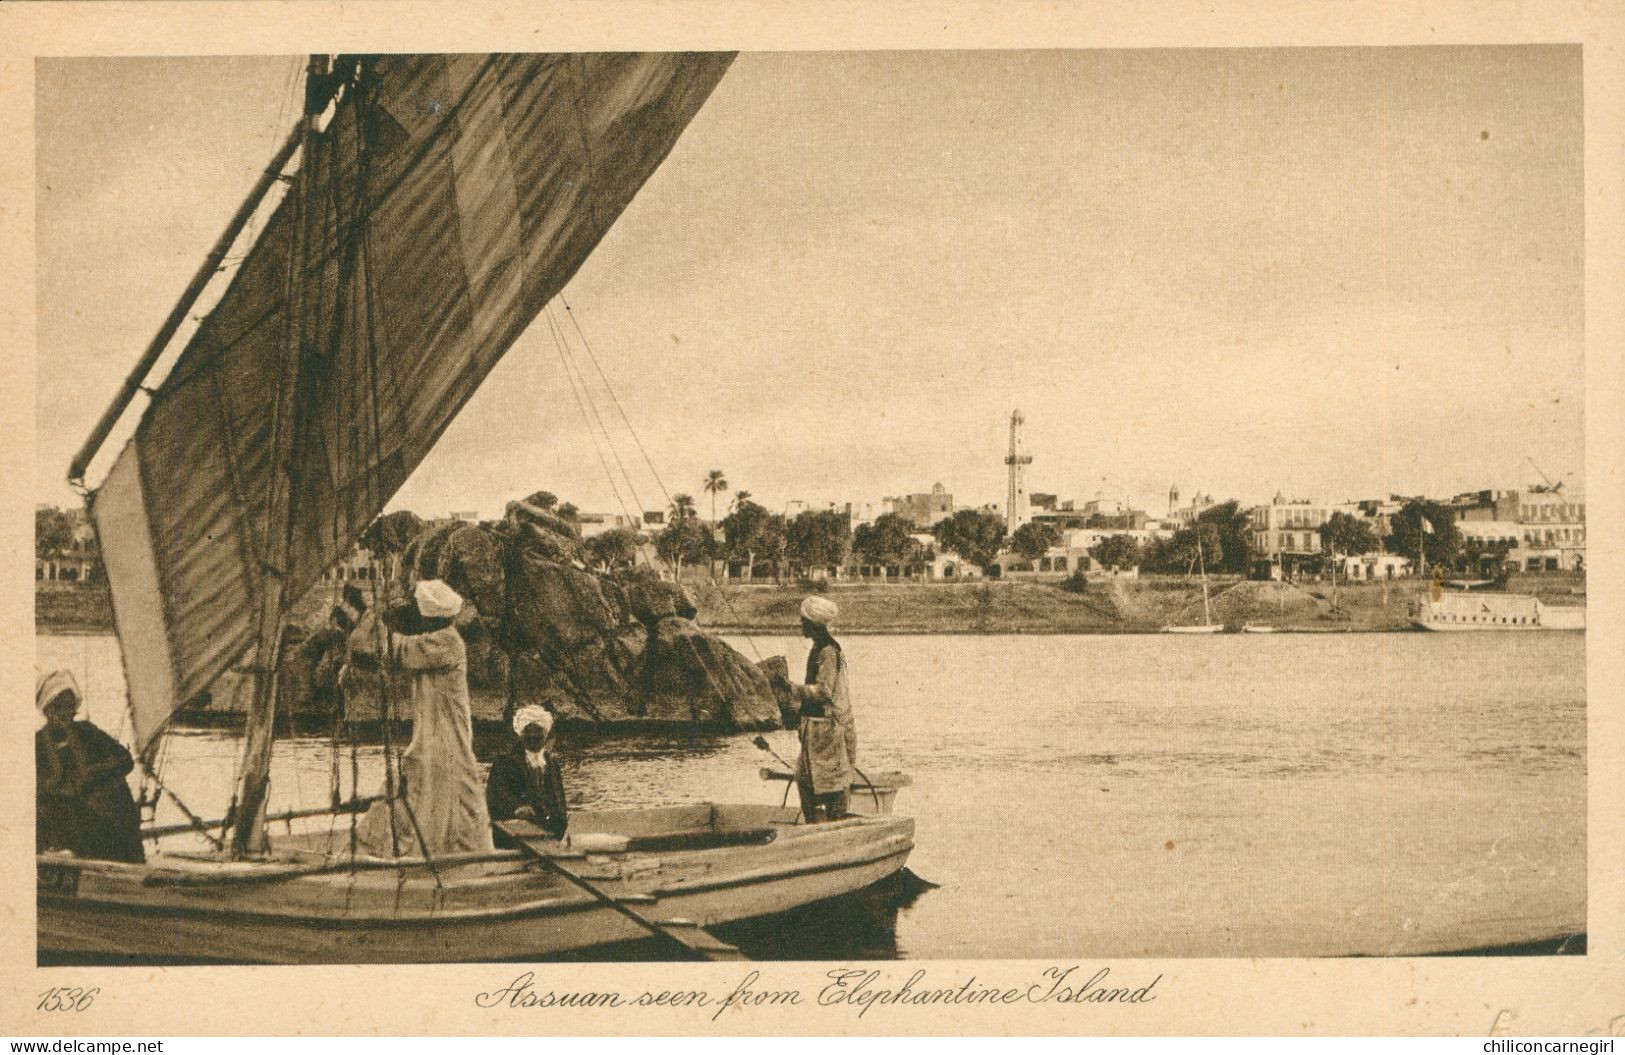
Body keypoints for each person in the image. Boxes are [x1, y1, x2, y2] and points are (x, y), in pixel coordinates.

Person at [352, 579, 494, 857]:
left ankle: (461, 850)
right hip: (432, 734)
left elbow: (400, 651)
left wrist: (366, 619)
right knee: (411, 781)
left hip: (446, 736)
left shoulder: (447, 643)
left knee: (451, 788)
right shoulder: (436, 641)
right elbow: (394, 654)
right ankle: (373, 844)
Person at [35, 670, 145, 863]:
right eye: (57, 707)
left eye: (69, 707)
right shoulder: (38, 744)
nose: (64, 713)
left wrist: (93, 774)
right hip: (62, 818)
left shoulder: (86, 732)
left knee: (116, 787)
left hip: (97, 817)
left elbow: (124, 759)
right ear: (46, 709)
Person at [773, 596, 858, 822]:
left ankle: (833, 826)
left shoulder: (828, 652)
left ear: (813, 624)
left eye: (804, 622)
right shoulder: (819, 649)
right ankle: (815, 826)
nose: (801, 625)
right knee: (805, 781)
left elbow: (824, 691)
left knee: (832, 786)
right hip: (815, 730)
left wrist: (792, 689)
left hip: (827, 731)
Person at [486, 705, 568, 843]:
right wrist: (516, 808)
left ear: (546, 734)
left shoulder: (552, 764)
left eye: (538, 731)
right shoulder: (504, 762)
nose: (533, 736)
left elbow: (559, 801)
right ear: (520, 733)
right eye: (528, 731)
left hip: (550, 835)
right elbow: (495, 798)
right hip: (513, 836)